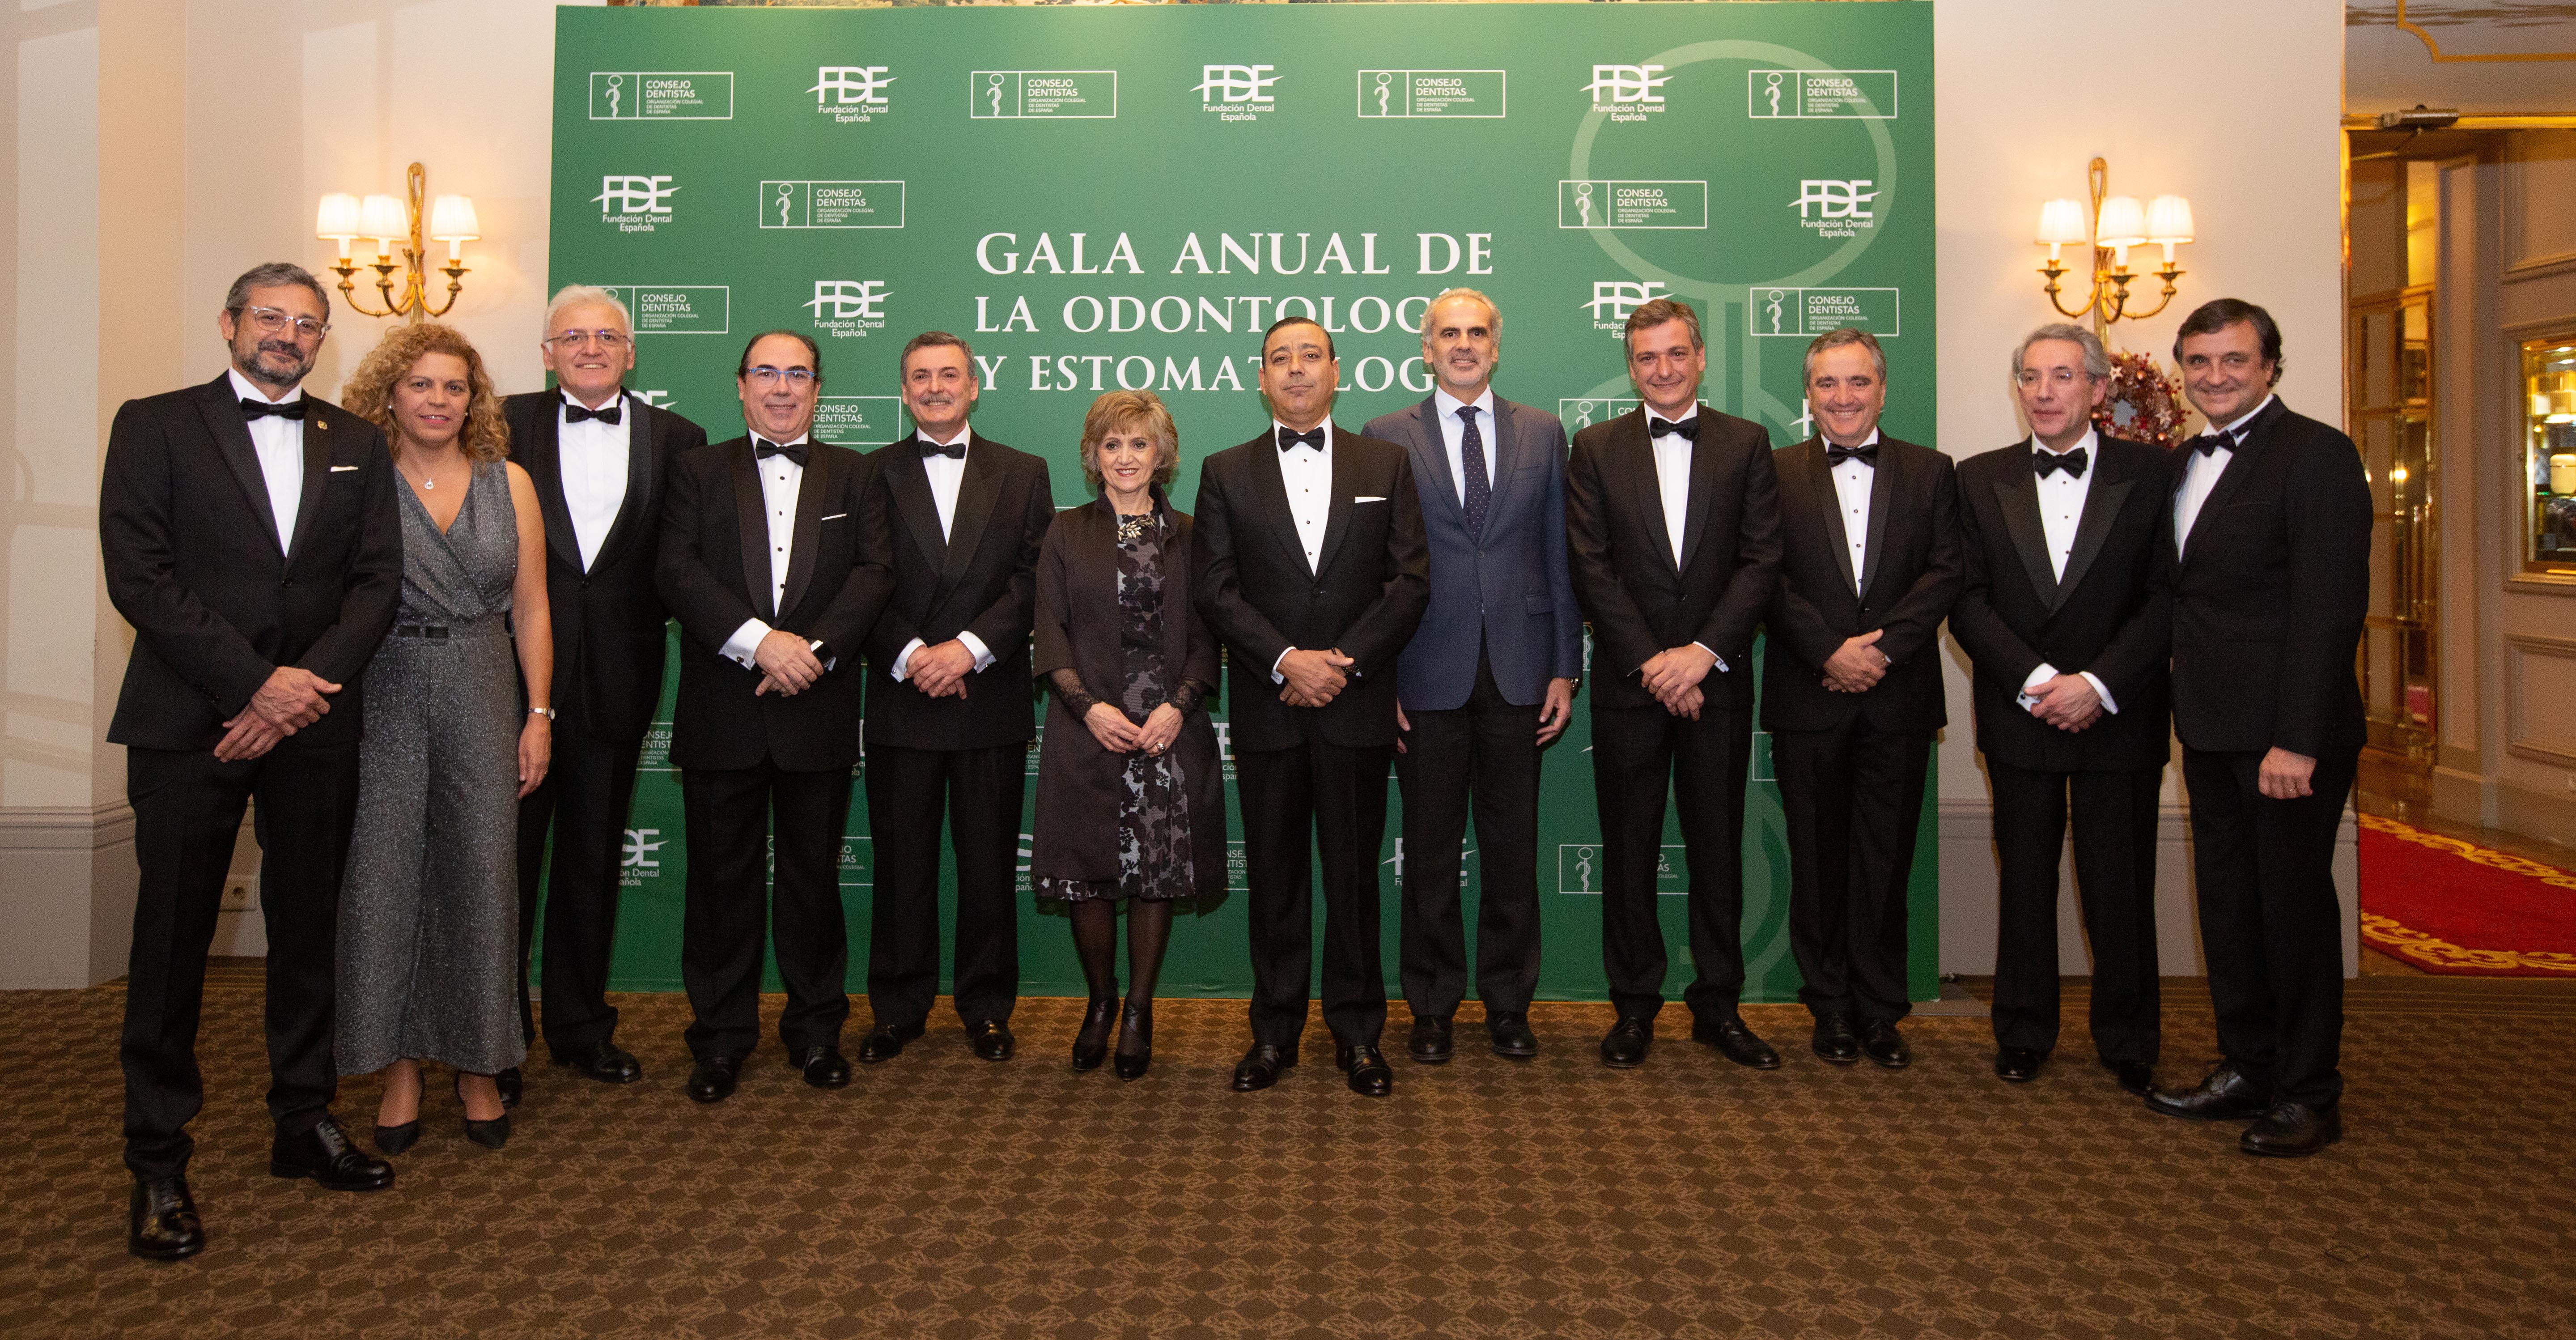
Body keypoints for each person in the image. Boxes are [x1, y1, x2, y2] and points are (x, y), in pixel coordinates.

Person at [101, 262, 403, 1260]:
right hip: (192, 723)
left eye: (307, 323)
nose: (288, 334)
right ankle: (156, 1159)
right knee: (173, 940)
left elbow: (376, 586)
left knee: (308, 927)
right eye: (270, 317)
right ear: (229, 322)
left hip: (313, 724)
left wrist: (298, 689)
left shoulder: (356, 441)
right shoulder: (154, 424)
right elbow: (138, 575)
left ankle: (303, 1120)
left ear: (325, 341)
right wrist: (252, 685)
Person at [2144, 299, 2370, 1157]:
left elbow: (2330, 606)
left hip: (2287, 738)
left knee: (2294, 913)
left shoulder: (2316, 454)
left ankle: (2311, 1091)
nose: (2215, 377)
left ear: (2271, 365)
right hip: (2206, 725)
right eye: (2199, 362)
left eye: (2234, 361)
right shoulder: (2180, 464)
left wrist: (2299, 738)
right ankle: (2249, 1066)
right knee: (2230, 908)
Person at [1196, 316, 1430, 1098]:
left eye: (1310, 357)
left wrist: (1345, 665)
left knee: (1355, 879)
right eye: (1279, 360)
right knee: (1276, 879)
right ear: (1259, 379)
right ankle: (1274, 1035)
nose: (1295, 371)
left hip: (1355, 706)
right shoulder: (1225, 471)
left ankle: (1360, 1035)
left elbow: (1408, 584)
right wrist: (1286, 661)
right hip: (1270, 709)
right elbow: (1217, 589)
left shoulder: (1386, 463)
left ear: (1338, 370)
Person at [657, 331, 892, 1102]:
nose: (783, 388)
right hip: (724, 708)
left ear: (818, 390)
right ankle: (720, 1039)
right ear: (741, 385)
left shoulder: (857, 474)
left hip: (816, 707)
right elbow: (677, 572)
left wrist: (812, 652)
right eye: (768, 373)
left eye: (798, 375)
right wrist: (762, 645)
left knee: (811, 883)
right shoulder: (694, 470)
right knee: (719, 887)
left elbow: (874, 573)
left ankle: (817, 1031)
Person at [334, 323, 552, 1153]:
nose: (438, 400)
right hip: (380, 686)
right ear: (389, 391)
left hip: (481, 685)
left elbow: (531, 607)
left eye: (454, 387)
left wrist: (539, 714)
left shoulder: (511, 483)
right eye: (421, 384)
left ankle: (478, 1063)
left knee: (482, 877)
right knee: (385, 879)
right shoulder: (355, 478)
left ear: (476, 398)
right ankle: (396, 1068)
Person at [1949, 323, 2173, 1094]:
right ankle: (2023, 1031)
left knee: (2121, 886)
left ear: (2099, 389)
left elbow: (2166, 599)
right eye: (2032, 378)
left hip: (2122, 714)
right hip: (2021, 714)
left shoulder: (2155, 475)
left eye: (2063, 377)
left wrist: (2097, 685)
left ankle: (2128, 1036)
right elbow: (1968, 602)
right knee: (2026, 882)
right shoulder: (1978, 479)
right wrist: (2042, 678)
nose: (2045, 392)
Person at [501, 285, 710, 1104]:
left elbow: (681, 567)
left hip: (620, 682)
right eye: (572, 336)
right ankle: (496, 1038)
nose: (591, 347)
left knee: (591, 861)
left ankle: (580, 1027)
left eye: (608, 336)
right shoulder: (500, 425)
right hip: (509, 685)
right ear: (547, 351)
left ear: (632, 353)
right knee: (505, 868)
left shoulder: (679, 439)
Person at [1564, 298, 1784, 1071]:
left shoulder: (1748, 443)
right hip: (1632, 686)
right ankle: (1633, 1009)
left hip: (1716, 685)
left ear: (1700, 358)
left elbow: (1762, 561)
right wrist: (1656, 662)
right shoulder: (1594, 448)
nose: (1662, 369)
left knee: (1719, 850)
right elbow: (1589, 566)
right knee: (1628, 851)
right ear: (1632, 367)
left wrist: (1702, 654)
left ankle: (1720, 1007)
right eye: (1646, 357)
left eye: (1675, 354)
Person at [1364, 289, 1581, 1066]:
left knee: (1513, 850)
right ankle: (1430, 1006)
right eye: (1448, 334)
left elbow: (1561, 557)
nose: (1463, 345)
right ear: (1426, 348)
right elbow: (1376, 573)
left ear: (1497, 345)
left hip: (1522, 672)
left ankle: (1508, 1004)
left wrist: (1565, 666)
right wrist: (1376, 678)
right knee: (1428, 853)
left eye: (1477, 333)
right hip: (1424, 669)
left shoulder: (1544, 432)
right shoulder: (1386, 435)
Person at [1765, 327, 1962, 1070]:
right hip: (1808, 693)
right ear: (1808, 395)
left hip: (1898, 696)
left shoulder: (1932, 471)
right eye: (1827, 385)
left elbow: (1946, 573)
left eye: (1857, 383)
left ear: (1882, 389)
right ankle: (1831, 1009)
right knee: (1816, 861)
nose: (1843, 398)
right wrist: (1828, 650)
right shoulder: (1774, 471)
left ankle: (1882, 1011)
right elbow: (1765, 576)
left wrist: (1879, 652)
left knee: (1885, 860)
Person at [858, 332, 1054, 1065]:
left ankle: (986, 1006)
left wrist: (967, 649)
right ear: (904, 393)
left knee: (986, 863)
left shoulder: (1023, 471)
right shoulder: (870, 472)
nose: (936, 388)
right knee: (902, 866)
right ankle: (898, 1006)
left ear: (974, 386)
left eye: (949, 376)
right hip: (902, 696)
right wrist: (914, 656)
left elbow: (1034, 579)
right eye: (920, 378)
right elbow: (859, 579)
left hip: (988, 695)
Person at [1027, 391, 1226, 1081]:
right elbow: (1048, 629)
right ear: (1093, 456)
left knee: (1155, 875)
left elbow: (1210, 634)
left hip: (1168, 730)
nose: (1125, 458)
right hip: (1090, 725)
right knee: (1088, 877)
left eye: (1139, 445)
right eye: (1112, 445)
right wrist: (1088, 708)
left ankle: (1140, 1010)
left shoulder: (1193, 534)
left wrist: (1178, 706)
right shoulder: (1066, 531)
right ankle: (1101, 1003)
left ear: (1161, 454)